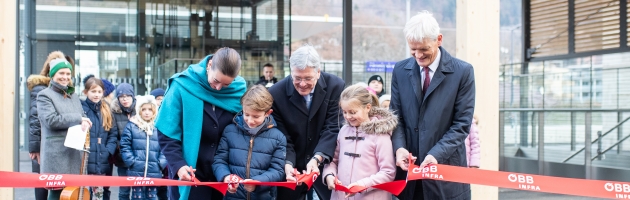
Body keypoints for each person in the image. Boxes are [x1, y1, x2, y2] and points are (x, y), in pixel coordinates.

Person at [391, 11, 475, 200]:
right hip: (409, 178)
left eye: (423, 49)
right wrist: (399, 148)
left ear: (439, 39)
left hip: (446, 174)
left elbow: (461, 125)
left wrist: (436, 154)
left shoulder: (463, 72)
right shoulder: (400, 70)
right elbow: (396, 117)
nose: (418, 55)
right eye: (413, 49)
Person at [156, 47, 247, 200]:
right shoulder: (182, 85)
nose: (218, 88)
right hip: (189, 171)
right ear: (209, 65)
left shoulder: (238, 91)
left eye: (226, 85)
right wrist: (178, 165)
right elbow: (166, 131)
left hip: (224, 174)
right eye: (216, 81)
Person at [268, 45, 345, 200]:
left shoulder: (335, 86)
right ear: (291, 72)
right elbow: (283, 136)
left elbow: (332, 127)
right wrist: (288, 164)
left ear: (318, 72)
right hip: (292, 168)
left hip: (325, 165)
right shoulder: (276, 93)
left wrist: (317, 158)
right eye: (297, 78)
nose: (302, 84)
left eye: (308, 78)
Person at [323, 84, 397, 200]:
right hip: (341, 196)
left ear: (367, 107)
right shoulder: (343, 131)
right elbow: (333, 160)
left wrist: (363, 185)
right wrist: (329, 175)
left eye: (352, 112)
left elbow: (388, 172)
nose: (347, 116)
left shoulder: (380, 134)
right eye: (344, 112)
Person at [212, 85, 286, 199]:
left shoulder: (278, 138)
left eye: (256, 116)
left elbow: (278, 171)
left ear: (268, 113)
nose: (250, 121)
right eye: (246, 114)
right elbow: (219, 160)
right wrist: (225, 177)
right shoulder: (229, 131)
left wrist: (257, 182)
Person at [37, 57, 92, 200]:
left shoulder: (73, 95)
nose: (65, 77)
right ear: (52, 75)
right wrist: (79, 118)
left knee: (73, 194)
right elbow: (51, 120)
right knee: (56, 193)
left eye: (68, 74)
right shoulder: (44, 95)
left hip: (74, 152)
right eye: (61, 73)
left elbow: (82, 115)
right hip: (56, 154)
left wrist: (85, 121)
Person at [27, 51, 72, 200]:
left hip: (60, 146)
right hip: (44, 145)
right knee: (43, 185)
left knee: (58, 187)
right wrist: (35, 147)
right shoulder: (41, 89)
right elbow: (34, 119)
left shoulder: (65, 91)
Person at [120, 95, 167, 200]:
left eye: (150, 109)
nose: (147, 112)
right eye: (144, 109)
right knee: (137, 197)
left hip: (154, 169)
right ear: (139, 110)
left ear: (154, 111)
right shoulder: (132, 126)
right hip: (136, 169)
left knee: (152, 197)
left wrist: (161, 163)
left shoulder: (158, 127)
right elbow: (125, 145)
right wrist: (131, 162)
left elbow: (165, 146)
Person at [82, 77, 118, 200]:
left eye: (99, 91)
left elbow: (113, 134)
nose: (96, 95)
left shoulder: (106, 109)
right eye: (93, 91)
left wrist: (108, 150)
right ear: (86, 92)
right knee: (83, 193)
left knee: (100, 194)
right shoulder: (81, 108)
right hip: (84, 159)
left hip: (102, 159)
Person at [111, 83, 137, 200]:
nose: (125, 99)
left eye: (128, 96)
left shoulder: (141, 110)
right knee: (124, 190)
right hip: (122, 158)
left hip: (139, 158)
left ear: (133, 96)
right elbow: (113, 135)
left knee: (138, 190)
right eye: (121, 96)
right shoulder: (114, 113)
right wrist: (120, 148)